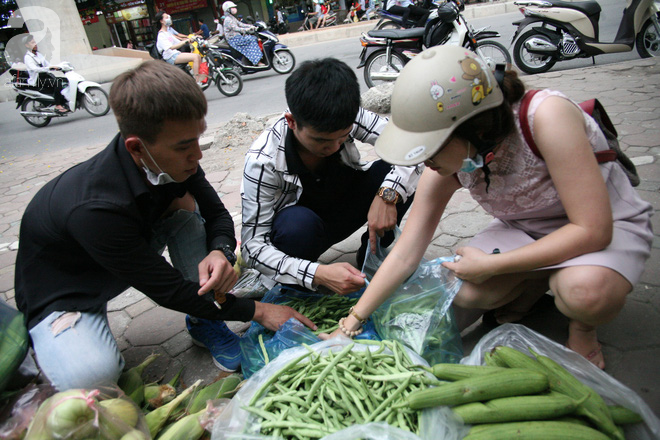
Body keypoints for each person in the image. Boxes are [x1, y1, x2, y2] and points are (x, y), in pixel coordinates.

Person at [320, 45, 653, 370]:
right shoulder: (451, 163)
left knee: (584, 294)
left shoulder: (546, 117)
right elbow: (406, 252)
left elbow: (592, 230)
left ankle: (582, 326)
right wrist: (351, 323)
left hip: (599, 225)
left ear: (474, 129)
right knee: (465, 291)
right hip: (527, 231)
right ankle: (539, 282)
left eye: (430, 149)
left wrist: (496, 265)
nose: (425, 161)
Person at [14, 61, 314, 391]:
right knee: (93, 377)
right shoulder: (96, 208)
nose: (197, 155)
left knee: (185, 209)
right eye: (185, 146)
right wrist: (258, 311)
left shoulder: (165, 161)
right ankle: (54, 344)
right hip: (66, 296)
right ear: (136, 146)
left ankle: (204, 320)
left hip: (117, 260)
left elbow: (217, 214)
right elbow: (168, 290)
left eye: (197, 139)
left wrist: (219, 250)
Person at [240, 58, 422, 296]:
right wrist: (317, 274)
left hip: (344, 207)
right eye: (322, 141)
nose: (335, 147)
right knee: (296, 226)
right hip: (303, 231)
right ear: (292, 121)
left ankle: (372, 252)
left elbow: (414, 147)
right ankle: (296, 282)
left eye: (342, 137)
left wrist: (388, 195)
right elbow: (252, 248)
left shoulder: (345, 114)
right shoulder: (263, 161)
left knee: (395, 173)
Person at [155, 11, 205, 85]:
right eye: (166, 17)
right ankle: (197, 82)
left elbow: (179, 41)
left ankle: (199, 78)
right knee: (195, 57)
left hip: (176, 54)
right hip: (170, 57)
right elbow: (171, 47)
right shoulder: (161, 35)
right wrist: (186, 41)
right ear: (161, 21)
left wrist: (192, 38)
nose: (169, 19)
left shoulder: (168, 33)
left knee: (198, 56)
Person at [22, 34, 69, 114]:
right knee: (57, 84)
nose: (35, 44)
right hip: (38, 79)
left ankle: (64, 101)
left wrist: (59, 66)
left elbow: (48, 65)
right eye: (32, 43)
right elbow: (35, 69)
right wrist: (48, 68)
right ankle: (58, 105)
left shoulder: (38, 54)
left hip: (46, 76)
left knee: (65, 81)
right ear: (27, 45)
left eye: (35, 42)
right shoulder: (28, 57)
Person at [222, 1, 265, 66]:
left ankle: (255, 58)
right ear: (228, 10)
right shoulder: (228, 19)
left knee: (253, 38)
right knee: (252, 39)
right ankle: (257, 61)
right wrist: (247, 29)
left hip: (237, 38)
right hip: (234, 39)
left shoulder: (232, 17)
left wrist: (251, 26)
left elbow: (241, 24)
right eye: (232, 7)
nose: (234, 9)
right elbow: (236, 28)